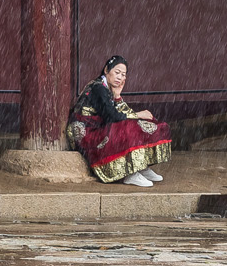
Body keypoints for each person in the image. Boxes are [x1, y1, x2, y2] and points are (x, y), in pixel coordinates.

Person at [66, 55, 171, 186]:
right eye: (117, 72)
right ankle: (128, 173)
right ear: (106, 70)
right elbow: (113, 117)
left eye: (123, 74)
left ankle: (140, 166)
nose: (120, 77)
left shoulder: (107, 87)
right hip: (87, 133)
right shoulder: (98, 88)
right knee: (128, 126)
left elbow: (117, 113)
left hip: (98, 126)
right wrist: (137, 114)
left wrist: (117, 96)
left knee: (146, 123)